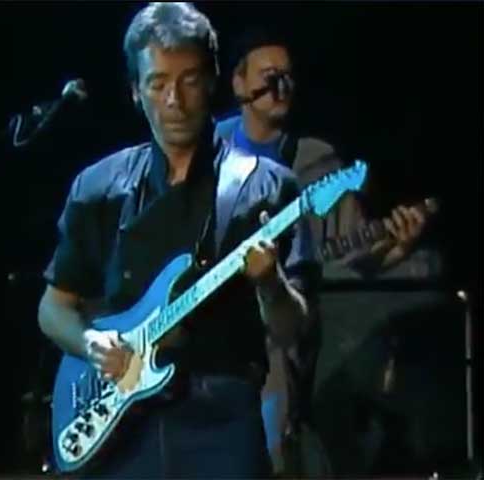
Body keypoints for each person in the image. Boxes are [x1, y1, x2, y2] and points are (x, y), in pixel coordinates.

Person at [38, 3, 320, 478]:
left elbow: (295, 330)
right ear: (135, 91)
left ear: (212, 81)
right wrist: (90, 343)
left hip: (222, 423)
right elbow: (52, 309)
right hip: (121, 429)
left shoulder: (266, 186)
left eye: (189, 80)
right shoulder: (100, 187)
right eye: (157, 84)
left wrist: (270, 284)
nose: (174, 100)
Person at [215, 27, 428, 475]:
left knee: (272, 439)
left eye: (288, 76)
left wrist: (398, 244)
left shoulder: (316, 161)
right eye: (270, 77)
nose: (282, 86)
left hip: (281, 329)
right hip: (211, 323)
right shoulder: (208, 151)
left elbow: (352, 257)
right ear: (239, 84)